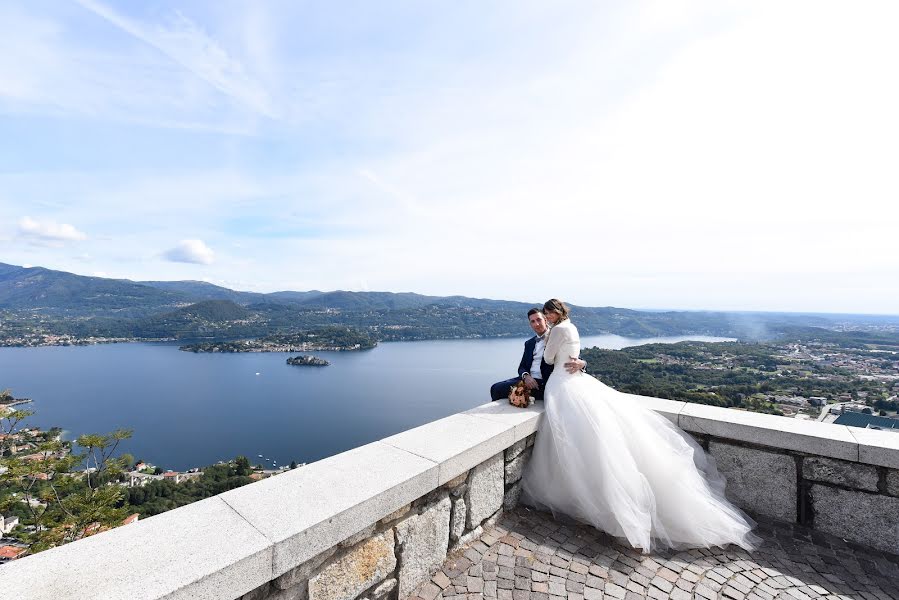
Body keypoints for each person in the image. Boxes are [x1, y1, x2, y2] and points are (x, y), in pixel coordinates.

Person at [521, 298, 759, 552]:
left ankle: (580, 496)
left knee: (570, 438)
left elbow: (548, 358)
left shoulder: (557, 330)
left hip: (562, 383)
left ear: (556, 313)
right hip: (574, 381)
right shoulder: (573, 327)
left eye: (548, 313)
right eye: (544, 314)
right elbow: (572, 354)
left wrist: (551, 346)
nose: (547, 317)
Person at [490, 308, 585, 402]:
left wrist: (583, 363)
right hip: (528, 380)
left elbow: (574, 357)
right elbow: (522, 367)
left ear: (545, 320)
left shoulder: (556, 336)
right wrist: (526, 376)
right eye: (533, 321)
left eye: (539, 319)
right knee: (494, 387)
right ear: (530, 324)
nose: (536, 324)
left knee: (497, 389)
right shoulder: (529, 343)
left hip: (543, 383)